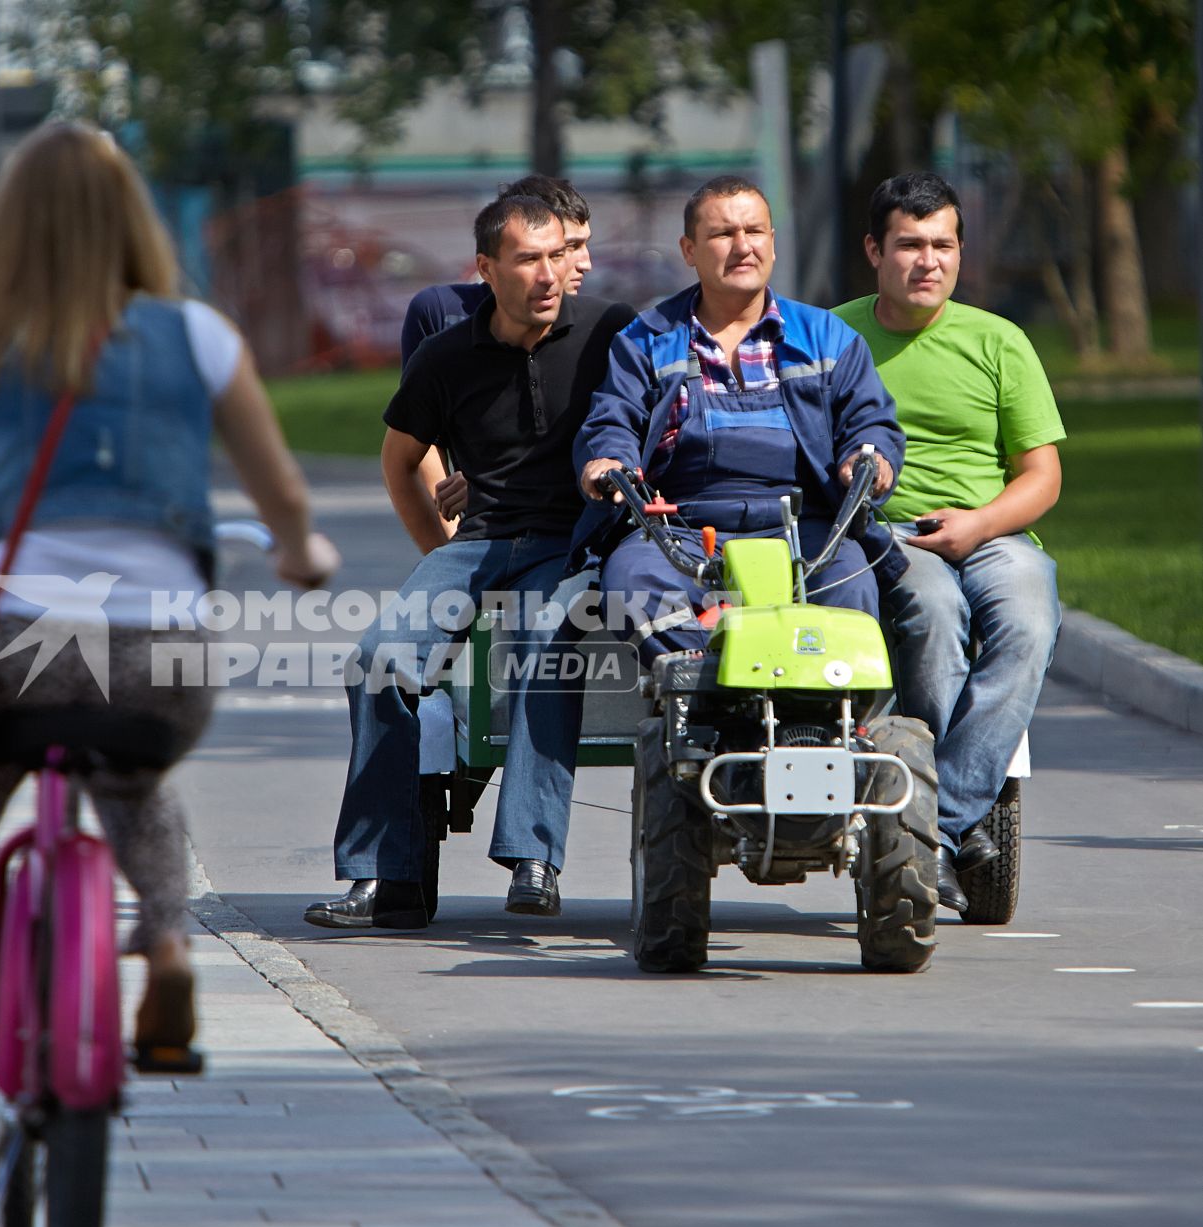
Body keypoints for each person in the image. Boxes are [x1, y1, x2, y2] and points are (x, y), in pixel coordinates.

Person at [0, 122, 339, 1180]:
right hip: (163, 652)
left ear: (8, 220)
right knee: (135, 770)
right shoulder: (200, 337)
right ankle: (165, 940)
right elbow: (286, 493)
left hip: (19, 642)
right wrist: (304, 554)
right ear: (131, 219)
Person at [305, 193, 635, 931]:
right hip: (480, 543)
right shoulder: (444, 356)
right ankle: (377, 874)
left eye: (557, 256)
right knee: (377, 660)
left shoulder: (613, 333)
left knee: (546, 643)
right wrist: (439, 558)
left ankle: (532, 857)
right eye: (527, 259)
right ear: (486, 268)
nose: (549, 274)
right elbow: (400, 463)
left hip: (572, 544)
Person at [834, 172, 1064, 914]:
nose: (926, 261)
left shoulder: (998, 341)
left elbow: (1039, 475)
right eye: (908, 244)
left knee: (1029, 618)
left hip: (989, 530)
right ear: (874, 250)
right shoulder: (833, 338)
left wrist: (979, 524)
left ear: (959, 252)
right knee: (932, 619)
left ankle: (934, 823)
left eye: (942, 245)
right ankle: (944, 824)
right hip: (883, 533)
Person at [575, 176, 904, 660]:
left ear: (773, 242)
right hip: (679, 531)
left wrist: (869, 459)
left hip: (804, 527)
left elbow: (871, 421)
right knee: (630, 584)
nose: (742, 246)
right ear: (689, 250)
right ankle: (703, 689)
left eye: (755, 231)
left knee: (851, 582)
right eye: (722, 234)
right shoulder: (643, 338)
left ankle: (828, 720)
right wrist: (607, 462)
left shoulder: (827, 336)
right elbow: (612, 421)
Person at [402, 174, 596, 525]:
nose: (584, 262)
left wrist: (493, 483)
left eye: (570, 249)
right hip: (481, 528)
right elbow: (416, 439)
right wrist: (448, 541)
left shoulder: (604, 324)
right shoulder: (441, 315)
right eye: (571, 246)